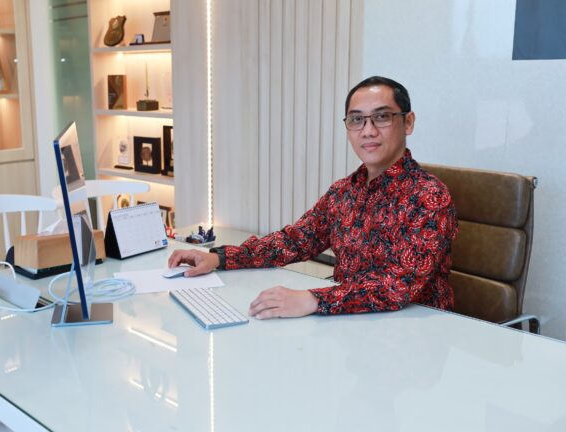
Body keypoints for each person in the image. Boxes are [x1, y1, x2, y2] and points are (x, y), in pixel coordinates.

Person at [168, 76, 457, 320]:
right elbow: (295, 241)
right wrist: (218, 258)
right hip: (351, 324)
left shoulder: (430, 197)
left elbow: (397, 286)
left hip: (417, 330)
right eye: (357, 120)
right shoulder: (344, 192)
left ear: (408, 122)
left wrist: (314, 299)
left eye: (382, 117)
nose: (368, 131)